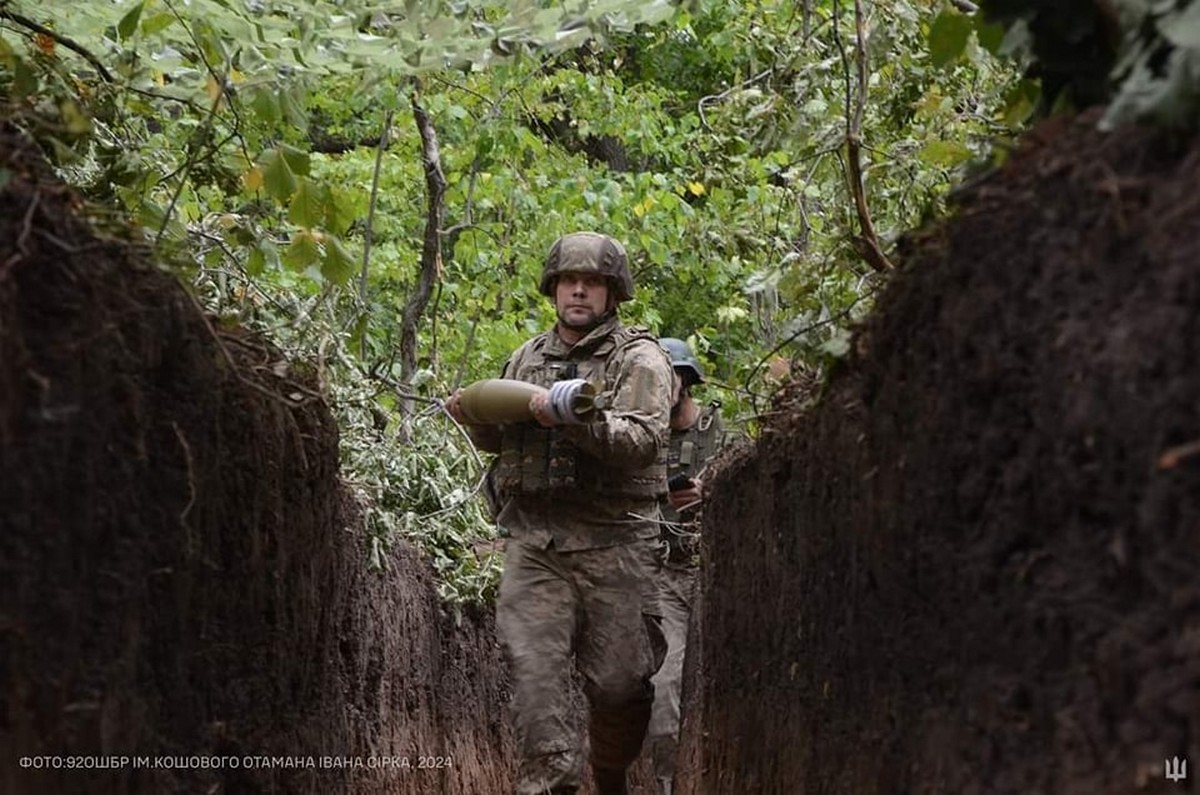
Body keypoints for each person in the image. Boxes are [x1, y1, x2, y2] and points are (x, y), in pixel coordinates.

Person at [446, 231, 673, 795]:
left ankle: (612, 773)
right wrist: (472, 415)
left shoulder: (639, 358)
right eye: (569, 281)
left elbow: (642, 441)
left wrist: (575, 419)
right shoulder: (526, 357)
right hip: (535, 544)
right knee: (535, 679)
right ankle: (553, 784)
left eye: (592, 282)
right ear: (553, 289)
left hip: (616, 544)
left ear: (612, 293)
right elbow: (500, 444)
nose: (578, 291)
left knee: (620, 687)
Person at [645, 337, 725, 795]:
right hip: (667, 576)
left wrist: (708, 491)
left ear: (686, 383)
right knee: (664, 683)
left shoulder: (720, 431)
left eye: (668, 377)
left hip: (715, 572)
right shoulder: (645, 438)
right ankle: (665, 785)